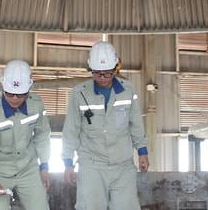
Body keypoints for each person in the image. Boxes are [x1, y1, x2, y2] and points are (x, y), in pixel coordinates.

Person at [62, 41, 149, 210]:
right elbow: (71, 130)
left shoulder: (128, 90)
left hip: (123, 165)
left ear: (115, 68)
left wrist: (142, 151)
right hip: (92, 166)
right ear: (91, 69)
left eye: (107, 73)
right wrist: (67, 162)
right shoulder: (79, 94)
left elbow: (135, 123)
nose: (102, 78)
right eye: (97, 73)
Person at [0, 59, 52, 210]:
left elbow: (42, 136)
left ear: (29, 89)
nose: (15, 99)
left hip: (28, 168)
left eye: (21, 94)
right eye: (10, 94)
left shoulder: (37, 104)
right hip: (0, 171)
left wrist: (44, 166)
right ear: (3, 87)